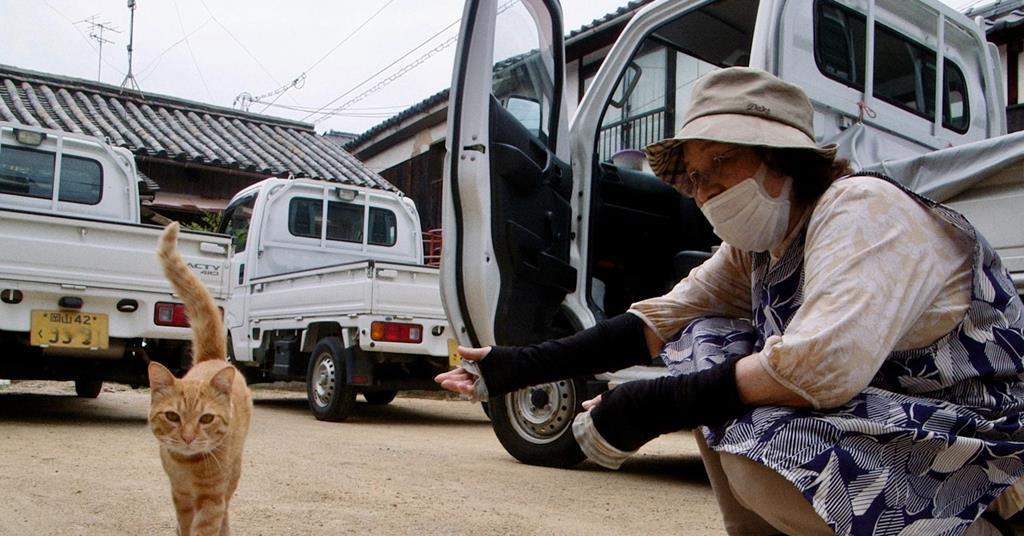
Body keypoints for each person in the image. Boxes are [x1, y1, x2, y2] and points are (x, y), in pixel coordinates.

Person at [435, 67, 1024, 536]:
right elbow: (659, 321)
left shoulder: (862, 209)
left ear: (780, 158)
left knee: (764, 448)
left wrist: (648, 406)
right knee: (705, 339)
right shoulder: (758, 246)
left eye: (723, 161)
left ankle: (982, 524)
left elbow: (822, 366)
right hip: (900, 419)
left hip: (991, 437)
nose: (707, 187)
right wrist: (514, 366)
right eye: (696, 174)